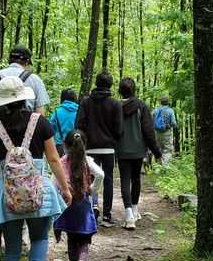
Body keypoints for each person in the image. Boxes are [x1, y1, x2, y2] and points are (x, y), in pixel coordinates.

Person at [0, 75, 72, 261]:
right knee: (40, 237)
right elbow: (54, 159)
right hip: (38, 191)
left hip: (7, 194)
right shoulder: (40, 122)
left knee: (11, 250)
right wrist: (65, 189)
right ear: (24, 97)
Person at [54, 129, 104, 261]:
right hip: (83, 205)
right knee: (83, 240)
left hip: (66, 206)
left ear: (65, 146)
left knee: (71, 240)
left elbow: (54, 183)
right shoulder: (87, 161)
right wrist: (92, 189)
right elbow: (101, 174)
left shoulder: (61, 161)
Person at [76, 70, 123, 226]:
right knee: (108, 180)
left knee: (88, 179)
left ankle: (90, 209)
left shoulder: (85, 102)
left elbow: (79, 125)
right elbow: (119, 129)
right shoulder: (115, 104)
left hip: (89, 149)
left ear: (96, 83)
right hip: (109, 149)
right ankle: (107, 216)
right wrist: (113, 141)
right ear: (110, 85)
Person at [115, 77, 161, 229]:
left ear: (120, 91)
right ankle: (134, 209)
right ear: (134, 90)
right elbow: (148, 131)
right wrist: (156, 151)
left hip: (121, 150)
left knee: (125, 180)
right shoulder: (141, 106)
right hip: (138, 150)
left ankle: (129, 215)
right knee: (136, 179)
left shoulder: (116, 107)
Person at [0, 44, 50, 119]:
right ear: (27, 62)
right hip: (26, 129)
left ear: (9, 60)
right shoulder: (35, 80)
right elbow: (40, 114)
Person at [49, 88, 79, 155]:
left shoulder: (57, 112)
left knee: (60, 164)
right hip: (76, 143)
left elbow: (51, 129)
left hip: (60, 145)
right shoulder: (79, 111)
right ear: (74, 98)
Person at [152, 96, 177, 165]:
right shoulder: (170, 110)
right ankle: (165, 168)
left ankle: (158, 168)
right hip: (167, 133)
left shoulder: (155, 110)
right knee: (167, 150)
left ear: (161, 102)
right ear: (168, 102)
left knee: (158, 149)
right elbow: (173, 123)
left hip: (157, 133)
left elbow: (151, 121)